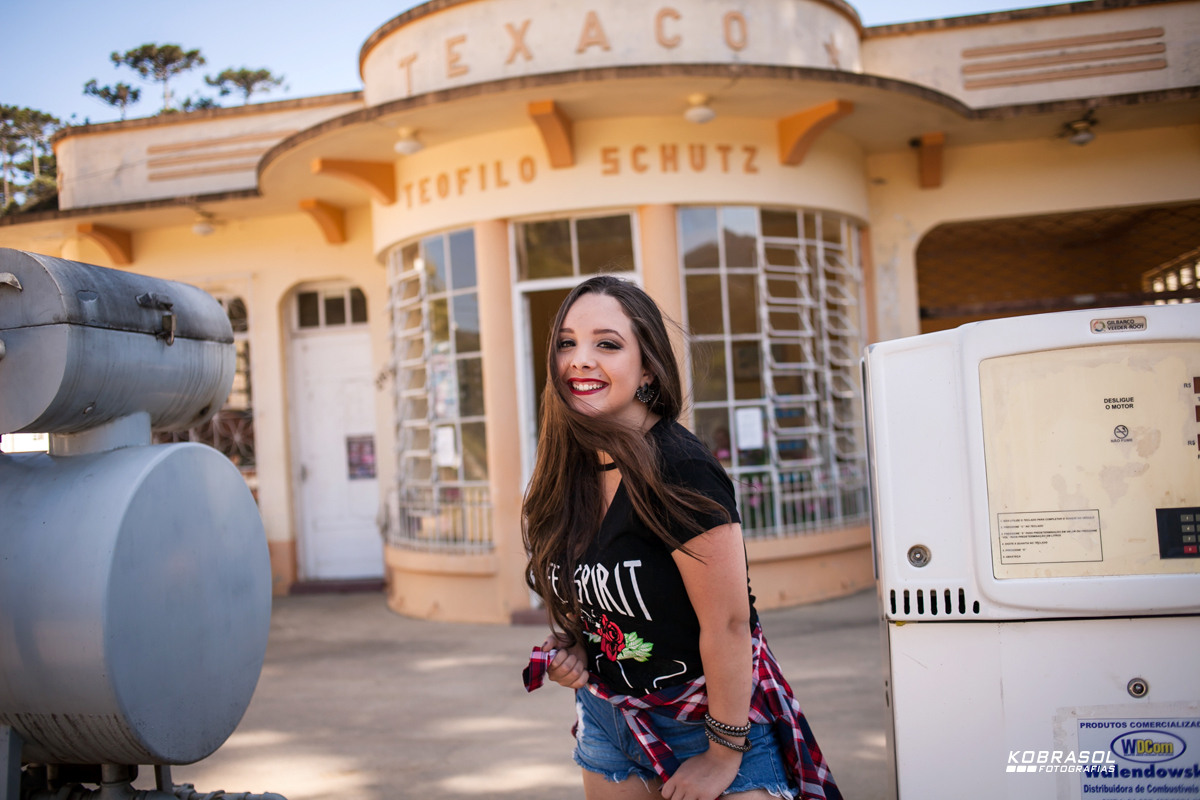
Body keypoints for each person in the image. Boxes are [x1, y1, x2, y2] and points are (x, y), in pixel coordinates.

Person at [521, 276, 840, 800]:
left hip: (707, 720)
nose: (580, 360)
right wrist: (578, 645)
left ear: (647, 367)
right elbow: (607, 593)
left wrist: (722, 754)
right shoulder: (571, 467)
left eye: (607, 344)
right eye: (567, 343)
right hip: (608, 717)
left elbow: (729, 623)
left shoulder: (680, 467)